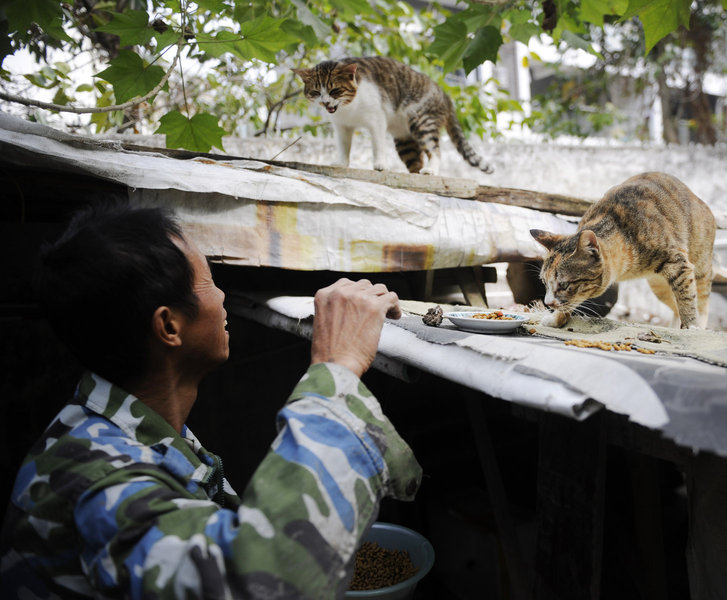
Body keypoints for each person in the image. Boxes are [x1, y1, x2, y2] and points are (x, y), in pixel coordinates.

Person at [0, 203, 422, 598]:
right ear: (169, 326)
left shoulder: (123, 427)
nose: (221, 297)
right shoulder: (95, 479)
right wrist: (337, 366)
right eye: (208, 282)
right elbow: (263, 580)